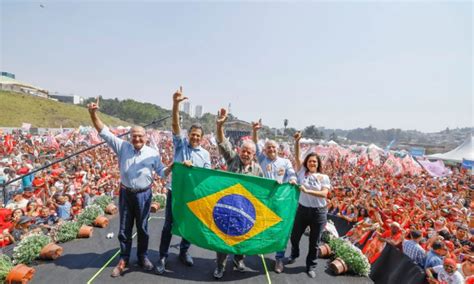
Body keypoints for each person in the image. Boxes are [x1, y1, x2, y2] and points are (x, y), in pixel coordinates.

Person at [88, 97, 170, 278]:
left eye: (140, 136)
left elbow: (163, 173)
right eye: (134, 136)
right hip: (126, 193)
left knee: (142, 228)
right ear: (130, 137)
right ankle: (124, 259)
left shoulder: (153, 153)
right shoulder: (122, 147)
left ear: (146, 138)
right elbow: (103, 131)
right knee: (124, 229)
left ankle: (142, 256)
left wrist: (173, 166)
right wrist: (93, 113)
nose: (137, 138)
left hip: (144, 195)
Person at [155, 87, 211, 275]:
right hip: (176, 192)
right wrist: (176, 104)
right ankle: (162, 256)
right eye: (192, 134)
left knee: (188, 224)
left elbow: (206, 176)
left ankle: (183, 252)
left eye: (198, 135)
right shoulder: (180, 145)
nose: (195, 137)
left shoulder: (205, 155)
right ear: (189, 135)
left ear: (202, 139)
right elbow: (175, 125)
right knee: (168, 225)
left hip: (192, 194)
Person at [212, 108, 264, 279]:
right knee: (224, 237)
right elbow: (221, 142)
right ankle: (220, 266)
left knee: (243, 235)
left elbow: (264, 188)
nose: (246, 154)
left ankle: (238, 259)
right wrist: (220, 125)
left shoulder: (257, 169)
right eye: (244, 151)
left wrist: (278, 184)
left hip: (246, 209)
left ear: (254, 155)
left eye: (249, 152)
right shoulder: (232, 159)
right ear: (239, 151)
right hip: (228, 205)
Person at [251, 119, 297, 273]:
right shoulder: (262, 159)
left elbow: (292, 175)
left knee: (281, 229)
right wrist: (256, 131)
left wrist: (292, 179)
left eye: (273, 147)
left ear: (278, 149)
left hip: (280, 201)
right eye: (268, 147)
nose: (271, 149)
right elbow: (256, 145)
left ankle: (279, 259)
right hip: (264, 199)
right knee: (259, 225)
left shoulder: (285, 162)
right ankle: (259, 247)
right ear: (265, 150)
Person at [287, 131, 331, 278]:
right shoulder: (302, 172)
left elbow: (324, 194)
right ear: (307, 163)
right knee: (294, 236)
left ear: (318, 164)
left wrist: (307, 190)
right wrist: (297, 141)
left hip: (318, 213)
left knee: (314, 242)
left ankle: (310, 266)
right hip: (302, 210)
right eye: (310, 161)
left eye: (315, 161)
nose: (312, 163)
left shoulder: (323, 177)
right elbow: (297, 156)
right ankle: (294, 253)